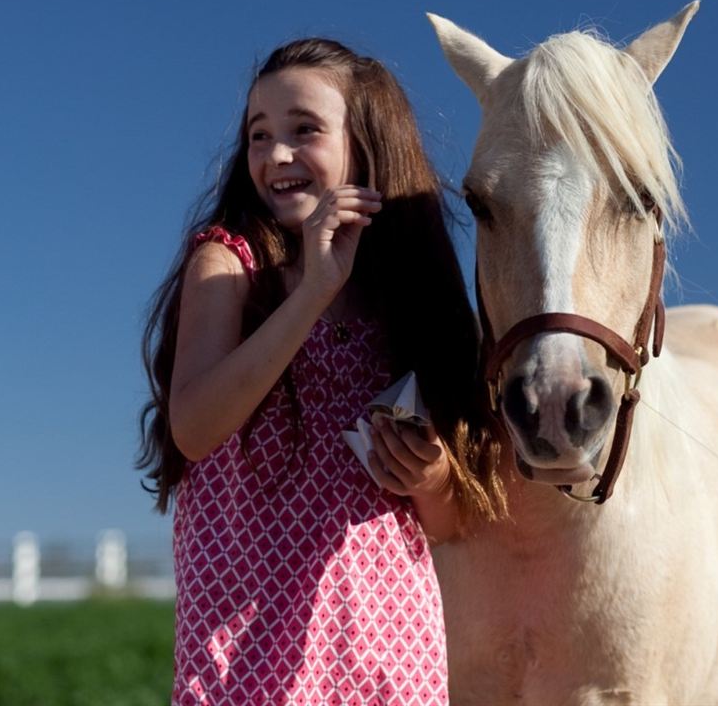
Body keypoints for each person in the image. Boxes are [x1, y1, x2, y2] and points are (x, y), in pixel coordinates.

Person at [137, 38, 505, 705]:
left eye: (303, 129)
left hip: (390, 652)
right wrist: (311, 290)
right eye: (259, 135)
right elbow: (193, 427)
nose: (276, 155)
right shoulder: (229, 264)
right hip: (245, 653)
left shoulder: (411, 296)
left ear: (366, 143)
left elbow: (452, 523)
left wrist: (431, 477)